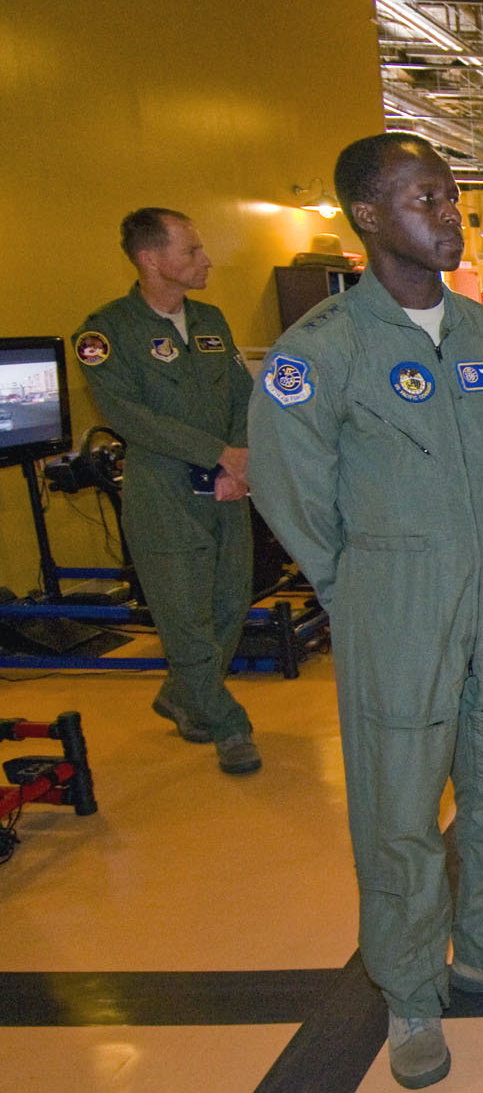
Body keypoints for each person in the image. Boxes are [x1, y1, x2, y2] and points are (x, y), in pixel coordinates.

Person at [247, 133, 483, 1089]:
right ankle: (412, 992)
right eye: (425, 197)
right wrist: (360, 583)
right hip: (395, 603)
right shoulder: (323, 350)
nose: (449, 212)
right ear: (369, 215)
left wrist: (474, 546)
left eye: (451, 195)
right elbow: (288, 485)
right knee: (399, 806)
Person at [72, 208, 260, 776]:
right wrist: (218, 453)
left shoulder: (210, 319)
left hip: (226, 487)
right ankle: (228, 725)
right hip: (164, 493)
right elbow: (129, 415)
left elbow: (242, 393)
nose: (206, 260)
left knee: (230, 604)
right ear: (151, 260)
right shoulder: (106, 333)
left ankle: (184, 696)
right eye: (192, 251)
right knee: (185, 620)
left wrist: (238, 459)